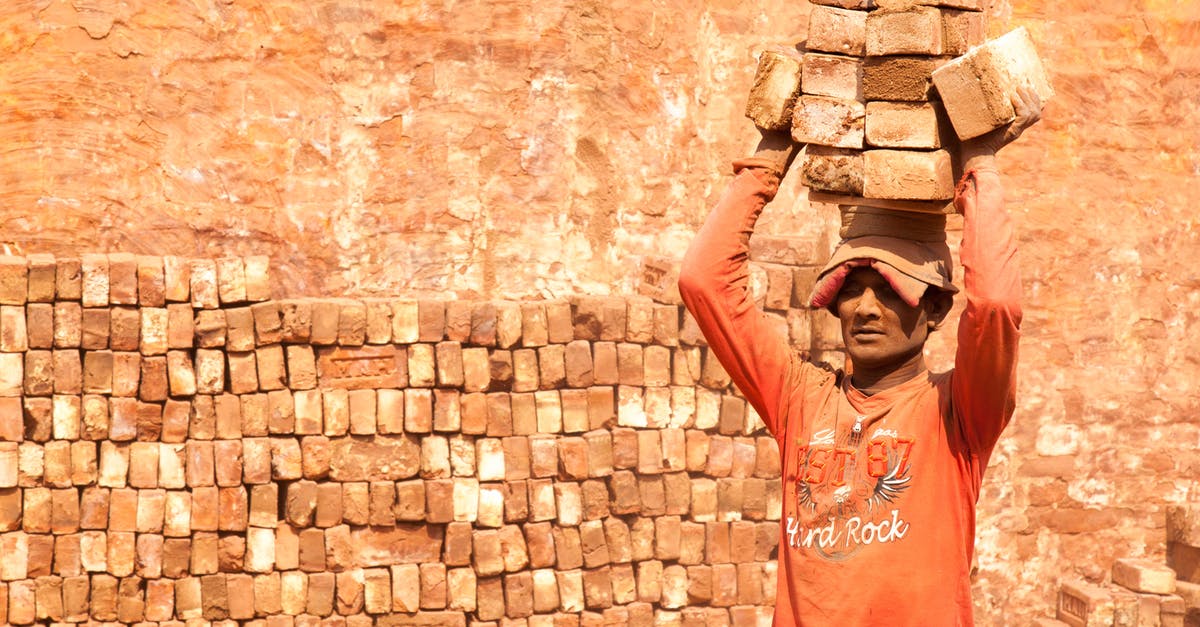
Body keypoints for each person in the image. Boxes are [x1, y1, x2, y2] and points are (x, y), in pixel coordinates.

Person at [677, 88, 1042, 625]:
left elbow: (994, 304)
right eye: (853, 288)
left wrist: (978, 162)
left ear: (936, 307)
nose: (866, 309)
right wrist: (775, 148)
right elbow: (703, 280)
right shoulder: (799, 400)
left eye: (891, 290)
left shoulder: (959, 415)